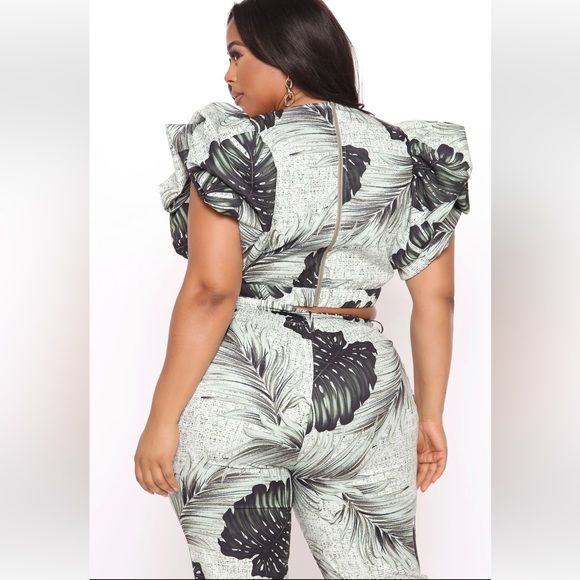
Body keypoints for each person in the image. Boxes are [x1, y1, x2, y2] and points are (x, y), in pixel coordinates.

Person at [134, 0, 472, 578]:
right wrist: (431, 415)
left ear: (284, 56)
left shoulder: (233, 145)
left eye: (237, 55)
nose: (228, 75)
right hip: (366, 392)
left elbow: (212, 290)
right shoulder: (410, 156)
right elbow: (436, 298)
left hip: (244, 384)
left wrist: (161, 420)